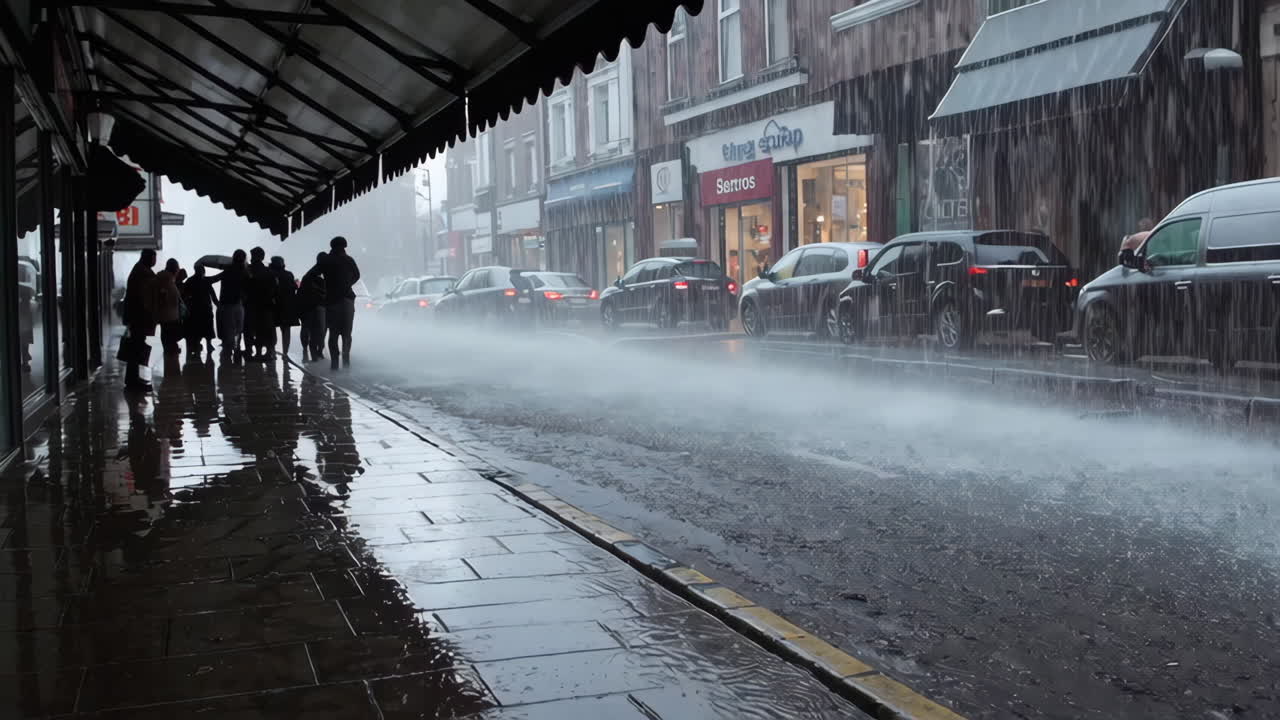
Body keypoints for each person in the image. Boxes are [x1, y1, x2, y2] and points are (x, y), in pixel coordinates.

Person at [122, 249, 159, 392]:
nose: (154, 262)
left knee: (136, 347)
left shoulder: (139, 269)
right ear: (148, 258)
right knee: (136, 348)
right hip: (139, 317)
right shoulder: (144, 273)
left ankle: (133, 378)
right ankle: (133, 381)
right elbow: (148, 294)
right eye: (153, 258)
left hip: (135, 317)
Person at [322, 236, 360, 370]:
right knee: (346, 334)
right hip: (348, 300)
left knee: (333, 334)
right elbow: (357, 275)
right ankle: (346, 360)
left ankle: (334, 363)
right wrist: (347, 284)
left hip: (333, 301)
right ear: (344, 246)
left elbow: (316, 273)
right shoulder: (349, 260)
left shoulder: (327, 260)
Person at [209, 249, 248, 359]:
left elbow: (213, 280)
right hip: (239, 305)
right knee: (238, 330)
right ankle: (237, 348)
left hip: (226, 305)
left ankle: (228, 352)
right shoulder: (245, 272)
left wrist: (215, 300)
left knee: (228, 331)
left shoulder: (228, 270)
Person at [245, 247, 278, 360]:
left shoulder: (247, 270)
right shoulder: (269, 272)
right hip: (266, 304)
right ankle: (267, 352)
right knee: (265, 329)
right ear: (262, 257)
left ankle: (252, 351)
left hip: (251, 304)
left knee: (250, 329)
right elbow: (274, 288)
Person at [183, 263, 219, 355]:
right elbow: (213, 296)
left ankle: (196, 345)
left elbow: (184, 296)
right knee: (208, 330)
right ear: (203, 271)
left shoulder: (189, 281)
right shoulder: (206, 281)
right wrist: (219, 305)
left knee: (196, 330)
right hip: (206, 309)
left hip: (194, 310)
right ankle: (209, 345)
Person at [298, 252, 328, 362]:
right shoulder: (319, 274)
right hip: (316, 305)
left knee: (309, 328)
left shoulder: (310, 274)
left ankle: (311, 350)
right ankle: (316, 352)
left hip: (309, 306)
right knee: (319, 330)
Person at [270, 256, 299, 359]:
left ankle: (272, 351)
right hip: (287, 306)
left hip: (273, 305)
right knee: (286, 330)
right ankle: (285, 353)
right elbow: (294, 288)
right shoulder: (289, 274)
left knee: (272, 329)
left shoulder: (270, 274)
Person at [155, 259, 184, 355]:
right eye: (177, 268)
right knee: (170, 342)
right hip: (169, 317)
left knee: (168, 341)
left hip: (168, 316)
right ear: (174, 269)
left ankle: (171, 354)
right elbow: (163, 297)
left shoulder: (167, 279)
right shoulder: (166, 280)